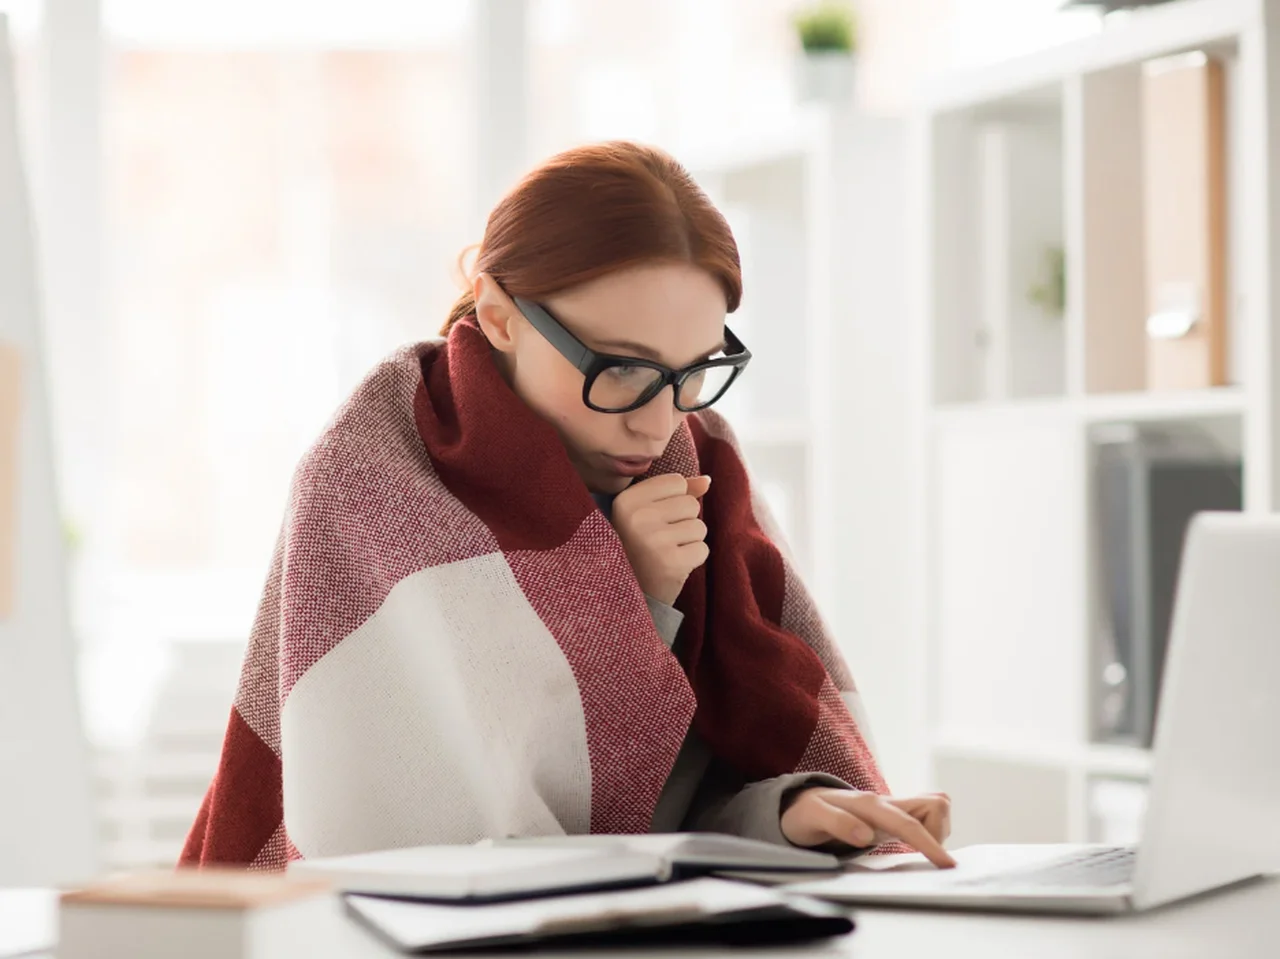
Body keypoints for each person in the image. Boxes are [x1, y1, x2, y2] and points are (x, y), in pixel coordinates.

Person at [180, 141, 955, 871]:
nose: (657, 421)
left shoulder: (704, 462)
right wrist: (634, 593)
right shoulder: (371, 478)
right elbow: (468, 834)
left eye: (694, 372)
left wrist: (796, 810)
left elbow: (665, 819)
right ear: (499, 312)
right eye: (621, 369)